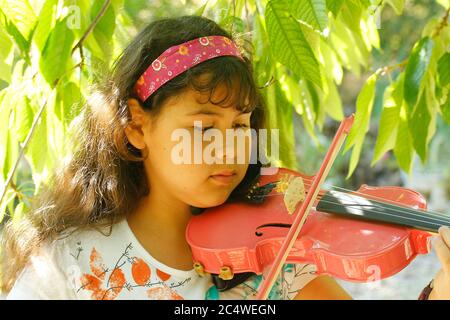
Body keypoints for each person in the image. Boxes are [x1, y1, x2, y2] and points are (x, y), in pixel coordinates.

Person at [1, 15, 448, 300]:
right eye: (203, 127)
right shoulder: (66, 262)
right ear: (137, 127)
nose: (231, 148)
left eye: (239, 126)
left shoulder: (271, 260)